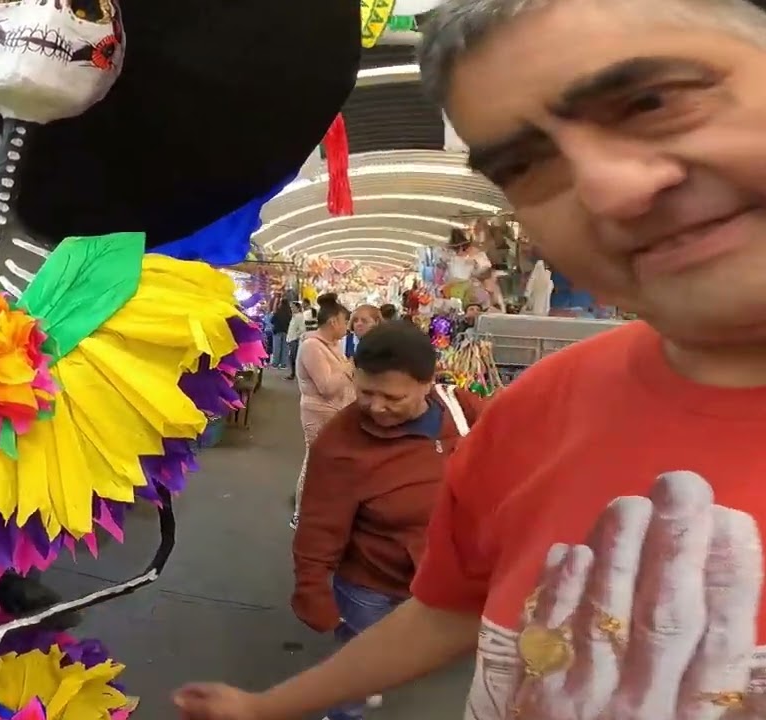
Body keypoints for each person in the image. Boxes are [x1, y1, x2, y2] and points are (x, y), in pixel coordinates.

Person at [174, 0, 766, 718]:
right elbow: (450, 606)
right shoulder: (542, 406)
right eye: (526, 164)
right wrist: (270, 706)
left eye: (653, 100)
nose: (611, 189)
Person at [294, 323, 485, 720]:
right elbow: (319, 525)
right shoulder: (341, 444)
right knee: (359, 658)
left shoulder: (462, 410)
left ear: (428, 384)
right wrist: (312, 588)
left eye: (392, 396)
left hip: (442, 576)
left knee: (413, 644)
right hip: (371, 581)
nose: (376, 406)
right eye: (365, 392)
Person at [290, 294, 354, 530]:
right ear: (334, 321)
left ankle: (318, 511)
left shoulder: (333, 346)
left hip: (335, 412)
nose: (348, 328)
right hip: (319, 413)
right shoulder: (312, 347)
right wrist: (349, 367)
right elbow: (326, 387)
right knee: (314, 462)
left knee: (328, 464)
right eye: (346, 322)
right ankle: (300, 513)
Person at [285, 301, 307, 380]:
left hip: (295, 340)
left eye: (293, 307)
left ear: (297, 308)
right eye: (291, 307)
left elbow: (302, 329)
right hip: (291, 339)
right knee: (292, 357)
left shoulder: (299, 317)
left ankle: (294, 374)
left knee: (294, 357)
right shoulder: (294, 316)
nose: (291, 309)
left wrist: (296, 336)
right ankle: (293, 373)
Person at [270, 298, 293, 369]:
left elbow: (272, 321)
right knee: (285, 348)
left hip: (277, 331)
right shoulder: (290, 313)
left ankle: (275, 363)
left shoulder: (278, 312)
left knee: (277, 348)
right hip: (286, 332)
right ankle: (283, 364)